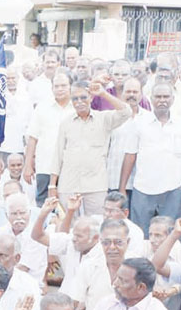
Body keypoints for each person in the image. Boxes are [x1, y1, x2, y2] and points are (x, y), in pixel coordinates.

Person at [121, 83, 181, 232]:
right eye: (158, 97)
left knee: (173, 233)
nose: (162, 100)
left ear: (173, 99)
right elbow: (130, 156)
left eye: (166, 96)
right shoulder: (139, 123)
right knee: (140, 233)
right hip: (143, 188)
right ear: (151, 99)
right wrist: (122, 188)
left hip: (174, 188)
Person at [50, 79, 131, 215]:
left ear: (91, 98)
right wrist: (52, 185)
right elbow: (57, 155)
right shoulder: (66, 123)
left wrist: (103, 93)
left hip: (96, 186)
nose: (79, 101)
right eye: (75, 98)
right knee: (69, 227)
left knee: (96, 225)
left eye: (83, 97)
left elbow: (126, 112)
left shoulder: (103, 119)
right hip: (68, 184)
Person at [24, 73, 75, 205]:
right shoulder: (42, 107)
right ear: (51, 88)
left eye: (63, 85)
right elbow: (32, 137)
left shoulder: (77, 108)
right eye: (56, 86)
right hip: (45, 166)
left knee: (67, 205)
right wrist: (28, 165)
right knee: (44, 204)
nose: (60, 89)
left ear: (71, 87)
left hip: (70, 167)